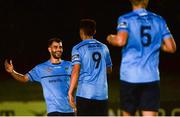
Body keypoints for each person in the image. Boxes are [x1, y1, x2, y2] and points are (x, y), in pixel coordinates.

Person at [106, 0, 176, 116]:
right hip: (151, 77)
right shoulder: (159, 20)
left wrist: (110, 38)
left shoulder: (126, 19)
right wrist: (156, 44)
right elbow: (171, 47)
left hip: (130, 77)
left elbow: (120, 41)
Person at [4, 37, 75, 116]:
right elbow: (24, 78)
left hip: (70, 110)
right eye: (55, 47)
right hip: (53, 111)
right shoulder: (40, 68)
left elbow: (80, 81)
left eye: (60, 47)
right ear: (49, 49)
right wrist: (12, 72)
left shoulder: (70, 65)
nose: (59, 49)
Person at [68, 19, 112, 116]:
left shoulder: (77, 48)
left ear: (81, 32)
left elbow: (76, 70)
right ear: (94, 31)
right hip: (102, 95)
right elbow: (109, 70)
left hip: (85, 95)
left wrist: (70, 92)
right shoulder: (104, 47)